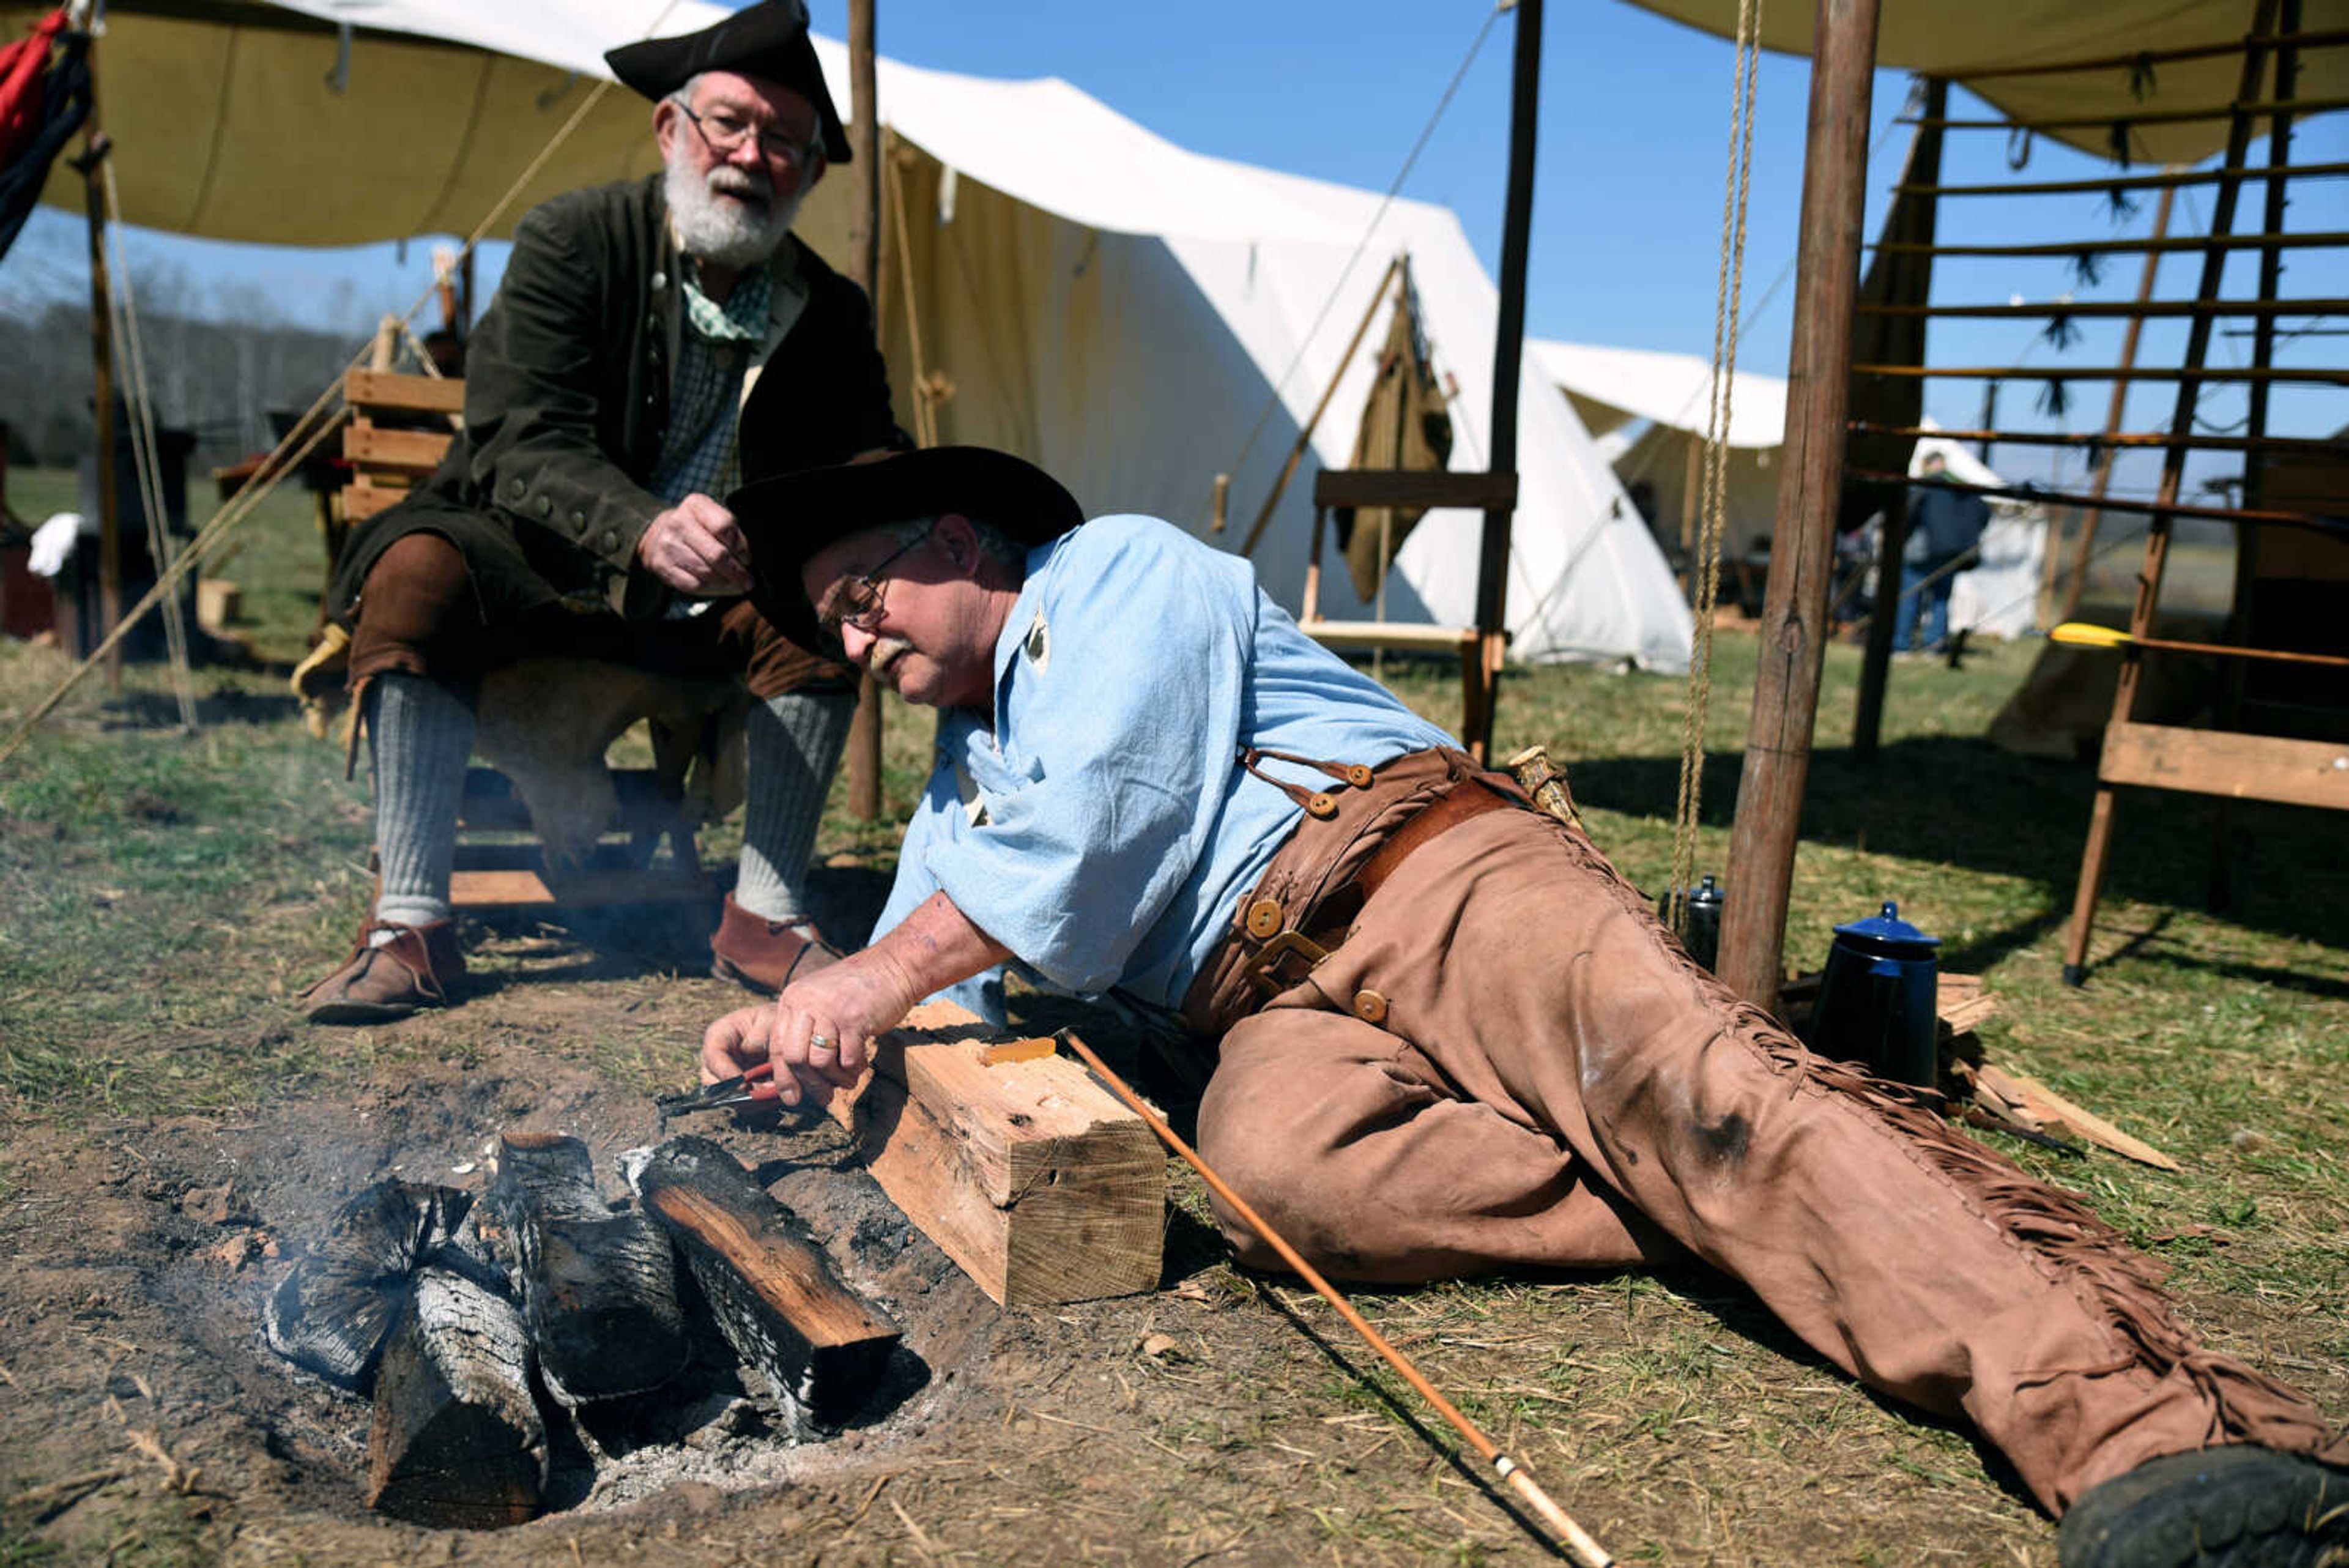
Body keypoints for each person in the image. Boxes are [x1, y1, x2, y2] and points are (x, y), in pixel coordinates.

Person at [700, 440, 2345, 1567]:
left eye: (870, 596)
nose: (859, 640)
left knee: (1698, 1100)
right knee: (1282, 1177)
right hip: (1271, 1009)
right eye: (838, 626)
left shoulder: (1110, 575)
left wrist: (868, 975)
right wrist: (806, 1038)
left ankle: (2139, 1439)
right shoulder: (962, 771)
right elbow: (946, 946)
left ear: (961, 544)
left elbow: (1092, 827)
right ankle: (1751, 1181)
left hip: (1423, 875)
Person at [300, 0, 905, 1025]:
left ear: (806, 173)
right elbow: (515, 439)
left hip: (714, 612)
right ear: (672, 130)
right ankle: (410, 928)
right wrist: (644, 527)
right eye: (730, 124)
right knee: (414, 570)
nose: (752, 156)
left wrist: (879, 531)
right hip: (540, 577)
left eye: (784, 141)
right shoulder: (575, 241)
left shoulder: (829, 309)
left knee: (828, 601)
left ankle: (765, 916)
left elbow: (869, 458)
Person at [1893, 450, 1991, 655]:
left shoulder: (1925, 485)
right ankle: (1935, 645)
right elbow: (1984, 513)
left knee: (1909, 597)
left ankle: (1902, 644)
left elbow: (1907, 513)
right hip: (1953, 552)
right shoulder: (1963, 488)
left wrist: (1900, 536)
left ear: (1927, 465)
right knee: (1940, 599)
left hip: (1923, 551)